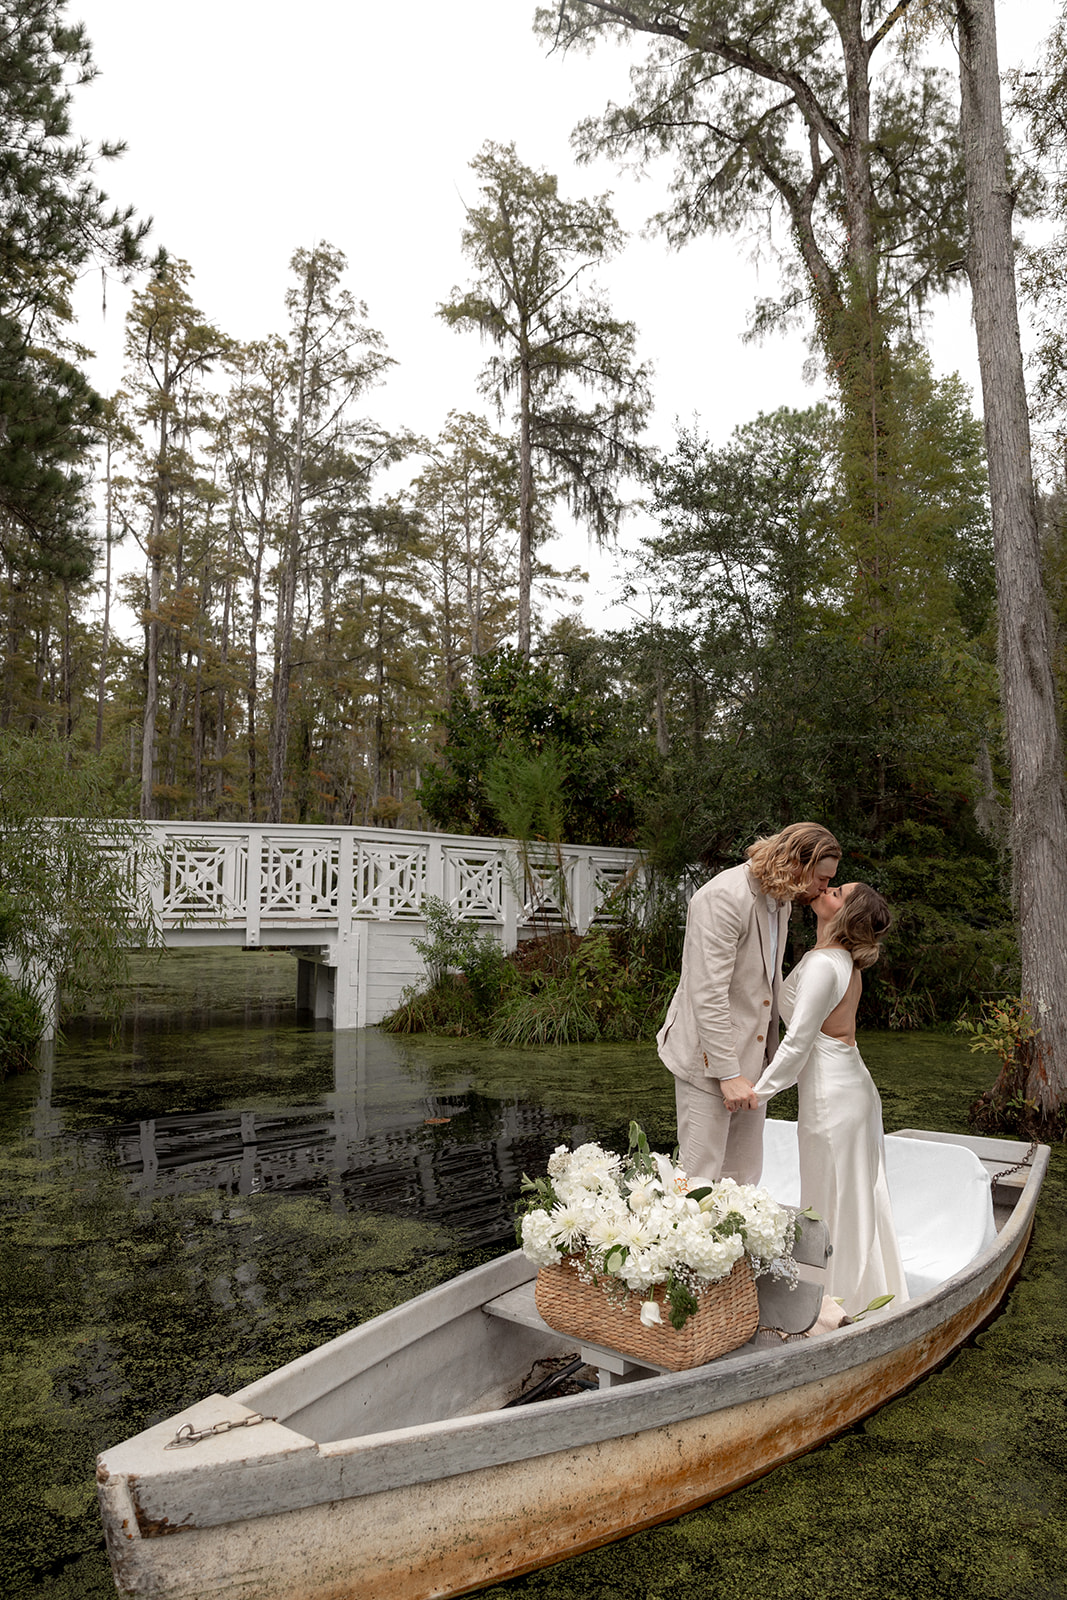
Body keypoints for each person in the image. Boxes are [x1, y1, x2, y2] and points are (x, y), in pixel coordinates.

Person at [751, 882, 909, 1317]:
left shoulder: (825, 964)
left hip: (833, 1100)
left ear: (846, 915)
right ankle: (854, 1299)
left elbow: (800, 1042)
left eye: (838, 890)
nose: (827, 888)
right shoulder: (835, 961)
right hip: (848, 1088)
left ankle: (829, 1308)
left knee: (829, 1200)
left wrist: (755, 1092)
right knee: (848, 1200)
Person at [656, 822, 842, 1187]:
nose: (824, 887)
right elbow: (708, 994)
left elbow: (762, 988)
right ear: (795, 862)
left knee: (743, 1180)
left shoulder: (782, 902)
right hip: (708, 1061)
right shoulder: (723, 898)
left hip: (754, 1063)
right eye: (821, 878)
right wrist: (727, 1074)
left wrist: (770, 1057)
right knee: (698, 1180)